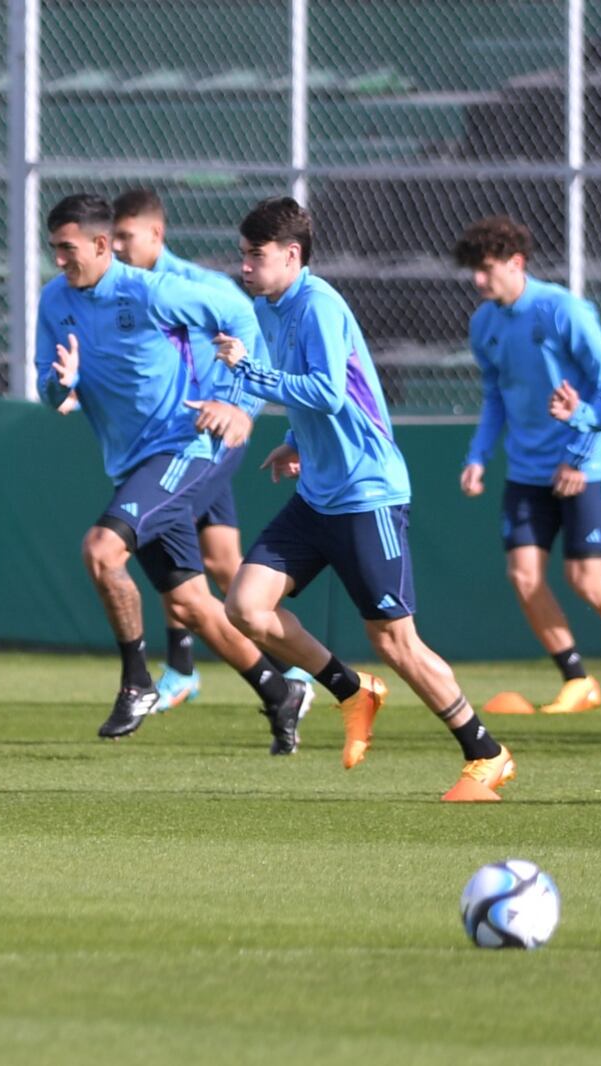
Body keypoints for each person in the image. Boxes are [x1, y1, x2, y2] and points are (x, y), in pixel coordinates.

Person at [218, 196, 515, 801]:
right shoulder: (269, 306)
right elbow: (316, 399)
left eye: (257, 255)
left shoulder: (320, 304)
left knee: (396, 641)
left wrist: (250, 373)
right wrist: (293, 440)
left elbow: (327, 391)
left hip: (366, 491)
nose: (245, 266)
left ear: (292, 256)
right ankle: (353, 691)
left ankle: (486, 751)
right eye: (244, 254)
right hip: (318, 493)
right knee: (246, 608)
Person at [36, 193, 309, 753]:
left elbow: (239, 317)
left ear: (100, 245)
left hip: (188, 445)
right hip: (134, 461)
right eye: (53, 249)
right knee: (191, 604)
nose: (60, 259)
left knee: (101, 550)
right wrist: (59, 384)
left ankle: (137, 680)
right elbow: (48, 389)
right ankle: (279, 692)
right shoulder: (52, 300)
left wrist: (238, 402)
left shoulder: (148, 289)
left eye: (67, 249)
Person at [111, 188, 317, 713]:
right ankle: (196, 670)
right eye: (109, 236)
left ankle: (289, 668)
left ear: (156, 233)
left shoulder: (197, 287)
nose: (115, 246)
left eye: (125, 236)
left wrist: (242, 409)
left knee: (197, 556)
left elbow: (253, 345)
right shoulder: (122, 290)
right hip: (174, 438)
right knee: (222, 562)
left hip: (203, 440)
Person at [456, 215, 601, 716]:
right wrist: (479, 455)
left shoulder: (562, 309)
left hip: (583, 466)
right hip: (526, 471)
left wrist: (578, 455)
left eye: (486, 269)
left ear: (516, 263)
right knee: (524, 576)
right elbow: (494, 396)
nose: (479, 281)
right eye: (473, 272)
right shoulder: (484, 324)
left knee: (587, 579)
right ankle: (577, 681)